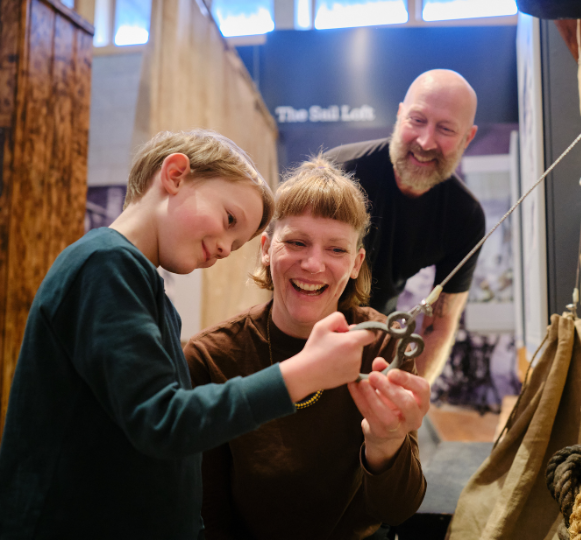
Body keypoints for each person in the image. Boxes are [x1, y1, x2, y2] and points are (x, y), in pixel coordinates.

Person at [0, 130, 375, 539]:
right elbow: (164, 420)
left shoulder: (140, 284)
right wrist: (303, 373)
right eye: (230, 220)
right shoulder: (106, 265)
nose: (224, 248)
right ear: (175, 174)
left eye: (235, 243)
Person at [184, 158, 430, 540]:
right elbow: (207, 513)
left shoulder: (382, 344)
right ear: (266, 249)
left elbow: (397, 510)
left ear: (355, 263)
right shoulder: (210, 357)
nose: (314, 264)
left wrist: (386, 443)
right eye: (296, 243)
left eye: (336, 249)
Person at [325, 69, 486, 384]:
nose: (426, 142)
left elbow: (438, 322)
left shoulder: (465, 217)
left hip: (375, 342)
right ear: (400, 115)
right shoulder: (336, 173)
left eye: (446, 129)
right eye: (417, 120)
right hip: (305, 333)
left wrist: (411, 397)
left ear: (467, 137)